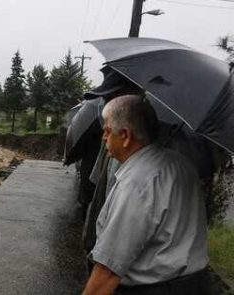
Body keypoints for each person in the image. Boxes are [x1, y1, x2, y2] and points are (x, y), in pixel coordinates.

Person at [82, 95, 210, 295]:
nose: (103, 138)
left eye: (107, 131)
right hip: (194, 283)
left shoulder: (137, 183)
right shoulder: (181, 164)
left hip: (154, 289)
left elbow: (109, 268)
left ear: (125, 136)